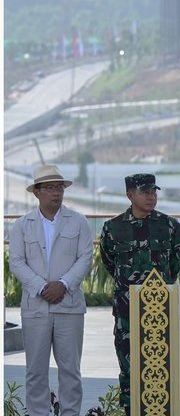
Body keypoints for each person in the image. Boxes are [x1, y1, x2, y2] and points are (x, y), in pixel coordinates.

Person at [8, 165, 93, 416]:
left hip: (70, 306)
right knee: (35, 371)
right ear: (37, 192)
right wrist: (42, 287)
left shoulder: (78, 221)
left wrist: (64, 284)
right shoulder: (22, 225)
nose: (56, 193)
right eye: (49, 188)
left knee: (70, 371)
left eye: (59, 187)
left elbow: (85, 258)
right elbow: (16, 262)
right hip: (35, 307)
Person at [100, 173, 180, 411]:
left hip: (161, 312)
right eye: (145, 192)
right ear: (130, 195)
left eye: (153, 192)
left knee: (162, 367)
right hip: (127, 313)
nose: (151, 197)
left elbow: (175, 264)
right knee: (129, 370)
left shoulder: (169, 226)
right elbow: (110, 263)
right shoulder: (113, 228)